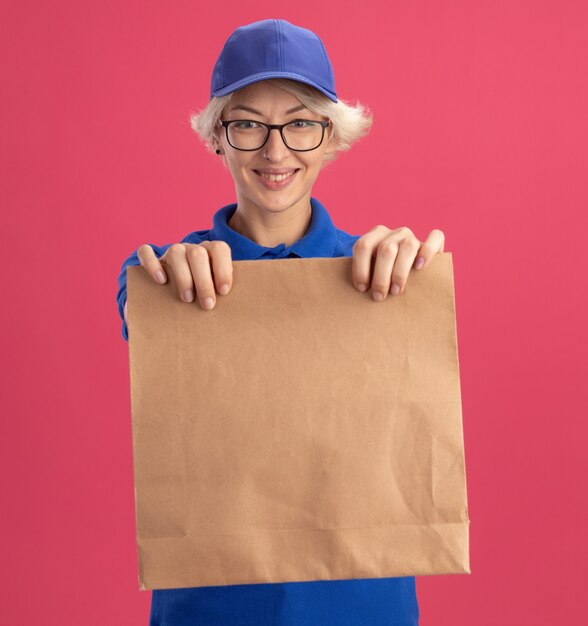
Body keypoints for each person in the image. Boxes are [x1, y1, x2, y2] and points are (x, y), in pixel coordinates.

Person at [116, 18, 444, 626]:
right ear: (218, 135)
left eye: (300, 123)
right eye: (248, 124)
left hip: (363, 608)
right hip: (208, 610)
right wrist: (165, 287)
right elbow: (136, 307)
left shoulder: (377, 270)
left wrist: (415, 273)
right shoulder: (171, 276)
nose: (275, 150)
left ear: (330, 138)